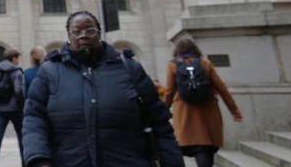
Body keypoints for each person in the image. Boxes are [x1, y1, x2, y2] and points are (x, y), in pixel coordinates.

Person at [22, 11, 184, 167]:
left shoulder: (130, 69)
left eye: (90, 30)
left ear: (99, 34)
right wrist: (39, 159)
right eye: (76, 31)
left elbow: (159, 123)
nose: (83, 35)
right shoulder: (50, 71)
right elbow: (34, 118)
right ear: (68, 36)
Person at [164, 39, 243, 167]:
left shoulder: (173, 65)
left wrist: (163, 111)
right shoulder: (205, 63)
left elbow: (168, 91)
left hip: (184, 109)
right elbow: (222, 88)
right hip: (207, 107)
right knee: (205, 144)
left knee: (191, 143)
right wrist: (235, 111)